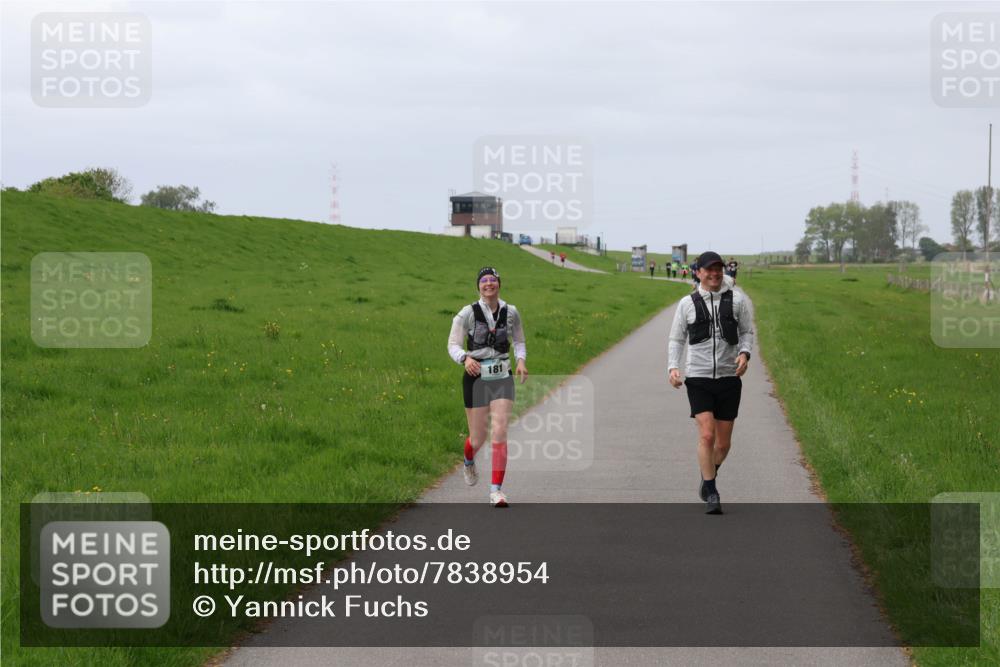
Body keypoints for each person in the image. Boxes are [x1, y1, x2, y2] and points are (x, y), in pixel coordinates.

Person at [667, 251, 754, 515]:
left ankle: (709, 473)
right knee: (706, 434)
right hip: (699, 377)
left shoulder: (737, 300)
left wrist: (744, 353)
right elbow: (676, 338)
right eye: (709, 270)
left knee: (723, 444)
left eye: (718, 269)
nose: (714, 274)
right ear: (698, 272)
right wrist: (673, 367)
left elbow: (746, 332)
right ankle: (712, 490)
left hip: (729, 377)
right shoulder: (687, 303)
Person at [447, 267, 529, 507]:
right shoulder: (467, 314)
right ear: (478, 286)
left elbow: (519, 340)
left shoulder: (511, 312)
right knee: (477, 438)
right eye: (484, 281)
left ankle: (496, 491)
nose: (489, 284)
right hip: (476, 376)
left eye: (493, 280)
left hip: (502, 374)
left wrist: (521, 360)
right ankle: (468, 460)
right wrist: (465, 358)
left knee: (500, 430)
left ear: (499, 284)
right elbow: (453, 344)